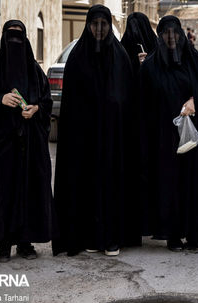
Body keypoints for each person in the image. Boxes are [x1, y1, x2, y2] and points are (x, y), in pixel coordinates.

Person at [52, 5, 140, 257]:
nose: (99, 30)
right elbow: (69, 104)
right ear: (88, 26)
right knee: (86, 185)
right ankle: (90, 236)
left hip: (114, 139)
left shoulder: (120, 57)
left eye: (104, 24)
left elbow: (128, 99)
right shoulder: (78, 57)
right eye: (95, 24)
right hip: (85, 140)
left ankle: (112, 238)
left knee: (113, 185)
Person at [139, 16, 198, 251]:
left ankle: (196, 234)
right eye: (165, 33)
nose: (170, 38)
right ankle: (173, 235)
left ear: (181, 35)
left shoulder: (196, 63)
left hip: (192, 139)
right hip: (164, 139)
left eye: (174, 33)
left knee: (194, 184)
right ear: (160, 36)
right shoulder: (150, 67)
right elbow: (143, 105)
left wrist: (195, 100)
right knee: (169, 185)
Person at [0, 20, 55, 263]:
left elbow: (47, 100)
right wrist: (1, 99)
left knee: (29, 191)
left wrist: (36, 109)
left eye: (19, 37)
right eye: (11, 37)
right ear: (3, 39)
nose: (15, 43)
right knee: (4, 192)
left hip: (30, 144)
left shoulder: (34, 70)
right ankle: (4, 244)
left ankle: (25, 242)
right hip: (2, 145)